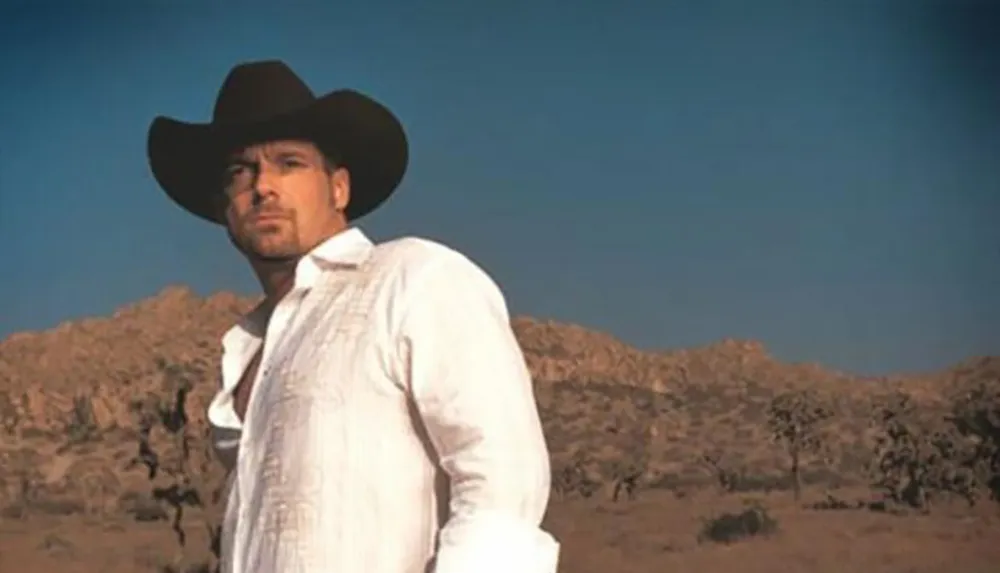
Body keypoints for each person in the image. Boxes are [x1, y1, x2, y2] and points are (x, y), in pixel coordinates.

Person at [146, 60, 559, 573]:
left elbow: (502, 480)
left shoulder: (413, 277)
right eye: (240, 171)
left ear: (338, 188)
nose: (263, 186)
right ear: (222, 205)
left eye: (289, 163)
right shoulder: (249, 348)